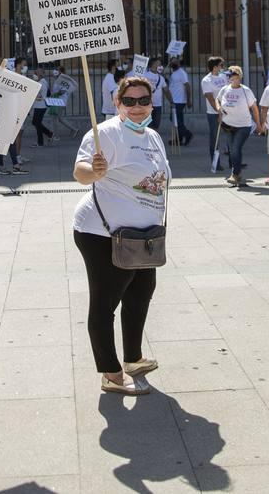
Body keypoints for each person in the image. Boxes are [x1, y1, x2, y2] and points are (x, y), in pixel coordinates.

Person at [72, 75, 169, 396]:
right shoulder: (105, 135)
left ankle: (133, 358)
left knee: (141, 292)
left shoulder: (153, 136)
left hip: (142, 235)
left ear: (152, 103)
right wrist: (95, 171)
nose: (137, 107)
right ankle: (111, 374)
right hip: (103, 233)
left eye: (143, 101)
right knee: (105, 301)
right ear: (117, 103)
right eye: (130, 101)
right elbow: (81, 171)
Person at [215, 66, 260, 187]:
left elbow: (254, 109)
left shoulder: (246, 91)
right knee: (232, 151)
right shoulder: (225, 89)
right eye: (230, 77)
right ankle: (238, 172)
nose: (231, 79)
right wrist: (219, 109)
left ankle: (234, 174)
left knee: (235, 149)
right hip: (228, 125)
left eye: (234, 77)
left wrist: (259, 125)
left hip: (243, 126)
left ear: (239, 77)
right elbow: (217, 99)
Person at [201, 56, 228, 158]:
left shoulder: (224, 76)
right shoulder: (206, 80)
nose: (223, 67)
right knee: (214, 138)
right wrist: (218, 110)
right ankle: (215, 162)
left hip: (227, 111)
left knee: (232, 135)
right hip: (214, 113)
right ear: (215, 67)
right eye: (221, 65)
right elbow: (210, 98)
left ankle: (234, 162)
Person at [168, 58, 193, 146]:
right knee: (179, 119)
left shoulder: (181, 73)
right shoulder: (173, 73)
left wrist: (189, 100)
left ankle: (187, 133)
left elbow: (187, 86)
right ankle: (179, 139)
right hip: (174, 99)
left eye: (175, 61)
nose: (173, 63)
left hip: (179, 100)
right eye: (171, 61)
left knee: (173, 118)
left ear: (179, 63)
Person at [29, 65, 54, 147]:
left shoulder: (41, 83)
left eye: (36, 73)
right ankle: (49, 134)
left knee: (36, 123)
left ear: (40, 74)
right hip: (40, 106)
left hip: (40, 106)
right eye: (35, 72)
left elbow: (35, 93)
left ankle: (41, 142)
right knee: (36, 123)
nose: (34, 74)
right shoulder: (41, 82)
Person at [144, 59, 167, 132]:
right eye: (158, 64)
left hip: (158, 105)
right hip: (147, 105)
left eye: (160, 65)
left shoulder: (161, 78)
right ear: (153, 65)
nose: (160, 66)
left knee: (156, 125)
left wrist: (171, 101)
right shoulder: (144, 76)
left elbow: (166, 90)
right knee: (147, 126)